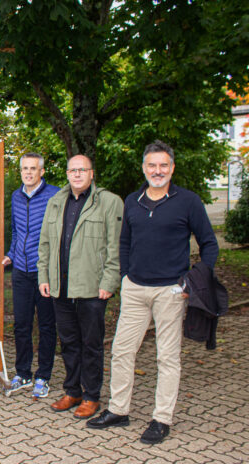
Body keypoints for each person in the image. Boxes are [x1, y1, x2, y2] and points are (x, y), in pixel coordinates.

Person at [87, 140, 219, 444]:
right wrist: (125, 276)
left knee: (167, 358)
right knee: (121, 351)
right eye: (151, 165)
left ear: (172, 168)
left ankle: (162, 419)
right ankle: (119, 411)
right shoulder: (133, 201)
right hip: (135, 289)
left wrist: (195, 280)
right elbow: (124, 242)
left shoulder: (188, 202)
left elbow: (209, 245)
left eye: (163, 165)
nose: (157, 171)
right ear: (143, 168)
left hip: (171, 291)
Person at [37, 154, 123, 420]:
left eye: (82, 170)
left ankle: (91, 396)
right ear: (66, 174)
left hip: (92, 288)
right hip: (60, 287)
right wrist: (43, 276)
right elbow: (45, 244)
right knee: (69, 342)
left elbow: (116, 246)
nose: (77, 174)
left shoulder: (109, 202)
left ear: (91, 173)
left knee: (92, 344)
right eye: (72, 170)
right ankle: (72, 390)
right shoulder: (56, 202)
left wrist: (109, 281)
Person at [2, 152, 59, 398]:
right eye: (24, 168)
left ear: (41, 172)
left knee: (47, 326)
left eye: (33, 168)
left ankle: (43, 376)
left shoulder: (56, 195)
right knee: (21, 325)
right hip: (21, 271)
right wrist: (10, 255)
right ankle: (23, 373)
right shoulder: (16, 195)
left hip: (45, 272)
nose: (28, 172)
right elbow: (16, 232)